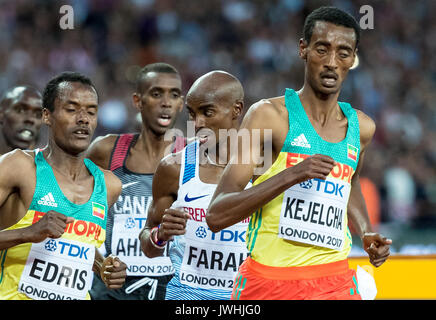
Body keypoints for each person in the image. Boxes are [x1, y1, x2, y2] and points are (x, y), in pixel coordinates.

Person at [207, 6, 392, 300]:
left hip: (335, 280)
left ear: (353, 59)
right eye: (322, 49)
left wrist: (366, 231)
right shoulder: (269, 117)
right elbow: (217, 214)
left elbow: (349, 180)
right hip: (268, 282)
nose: (332, 62)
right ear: (303, 49)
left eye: (343, 53)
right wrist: (292, 174)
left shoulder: (362, 127)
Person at [0, 72, 126, 300]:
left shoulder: (109, 185)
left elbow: (82, 246)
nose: (83, 119)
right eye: (72, 109)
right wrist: (28, 233)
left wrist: (102, 265)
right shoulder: (18, 167)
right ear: (47, 116)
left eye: (91, 111)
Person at [140, 70, 250, 300]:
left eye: (207, 112)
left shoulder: (264, 167)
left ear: (237, 110)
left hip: (247, 295)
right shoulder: (173, 167)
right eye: (192, 114)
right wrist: (160, 235)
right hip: (188, 295)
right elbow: (148, 246)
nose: (198, 123)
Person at [87, 63, 185, 300]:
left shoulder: (193, 154)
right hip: (112, 287)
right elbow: (73, 205)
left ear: (181, 103)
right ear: (137, 101)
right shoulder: (105, 150)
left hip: (171, 287)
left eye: (174, 95)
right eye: (156, 93)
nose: (166, 102)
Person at [0, 86, 43, 155]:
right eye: (20, 110)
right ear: (1, 114)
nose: (30, 119)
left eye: (38, 115)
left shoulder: (45, 164)